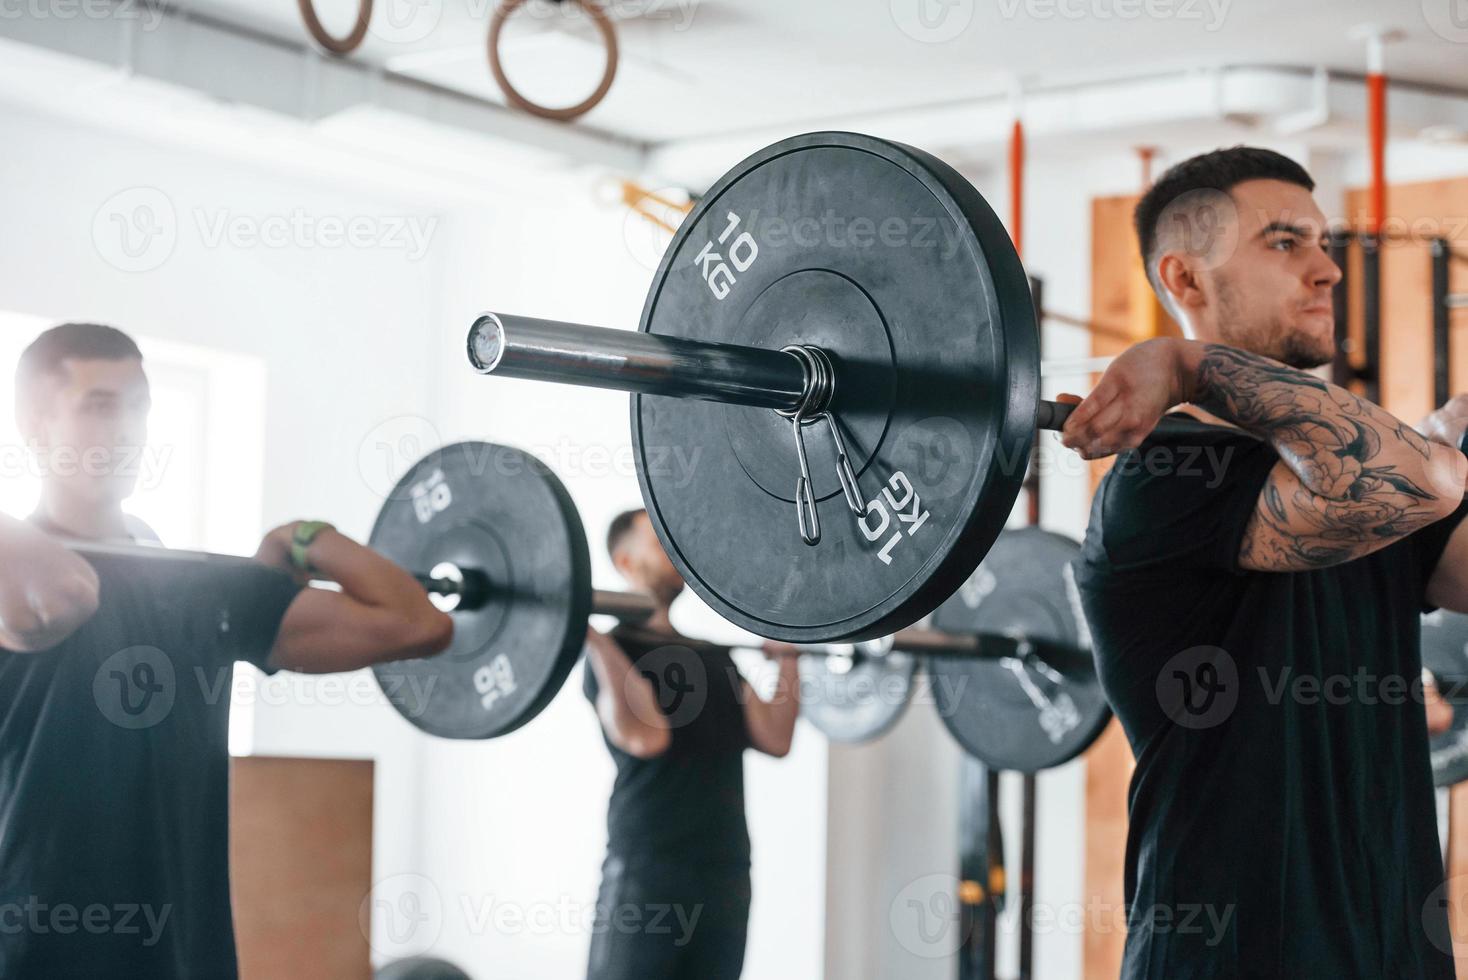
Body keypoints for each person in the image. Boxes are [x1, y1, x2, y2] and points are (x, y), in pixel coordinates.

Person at [1063, 148, 1468, 979]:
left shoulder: (1363, 484)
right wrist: (1187, 365)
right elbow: (1427, 479)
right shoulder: (1166, 478)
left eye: (1322, 244)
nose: (1327, 270)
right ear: (1186, 278)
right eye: (1284, 243)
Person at [0, 322, 454, 978]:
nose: (128, 429)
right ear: (34, 425)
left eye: (140, 407)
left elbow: (418, 624)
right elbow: (68, 593)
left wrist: (302, 538)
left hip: (189, 958)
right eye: (100, 407)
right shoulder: (16, 579)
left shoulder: (198, 588)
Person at [581, 508, 800, 980]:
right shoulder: (612, 657)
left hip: (725, 869)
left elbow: (776, 737)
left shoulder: (713, 655)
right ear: (625, 563)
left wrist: (787, 657)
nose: (674, 551)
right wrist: (592, 637)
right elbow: (646, 736)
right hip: (648, 870)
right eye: (658, 541)